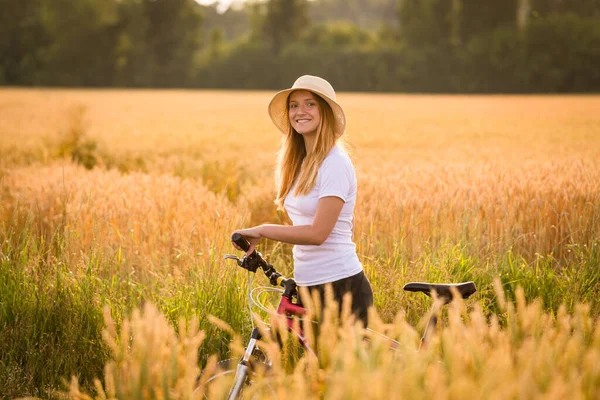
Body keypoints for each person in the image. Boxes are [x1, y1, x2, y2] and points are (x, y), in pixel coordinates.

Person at [232, 75, 373, 327]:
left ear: (325, 113)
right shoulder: (301, 163)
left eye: (310, 104)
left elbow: (318, 233)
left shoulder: (335, 162)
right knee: (315, 366)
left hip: (341, 286)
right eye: (294, 105)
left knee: (340, 366)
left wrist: (263, 230)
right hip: (308, 283)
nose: (300, 112)